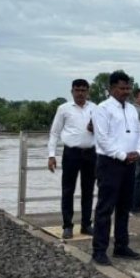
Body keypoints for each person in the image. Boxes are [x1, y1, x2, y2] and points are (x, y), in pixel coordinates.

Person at [90, 71, 140, 265]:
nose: (125, 92)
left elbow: (139, 132)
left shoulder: (131, 109)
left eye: (128, 88)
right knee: (105, 207)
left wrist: (137, 151)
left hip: (130, 163)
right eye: (122, 88)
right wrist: (122, 155)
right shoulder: (102, 109)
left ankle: (121, 245)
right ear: (111, 89)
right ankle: (99, 250)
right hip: (110, 163)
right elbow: (102, 138)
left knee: (124, 207)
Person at [47, 79, 97, 239]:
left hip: (91, 152)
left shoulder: (95, 108)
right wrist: (51, 155)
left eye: (83, 90)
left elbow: (104, 132)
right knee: (68, 190)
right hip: (71, 153)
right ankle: (67, 225)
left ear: (88, 91)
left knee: (88, 190)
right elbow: (54, 132)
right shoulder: (63, 109)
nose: (80, 93)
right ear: (72, 91)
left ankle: (86, 225)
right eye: (77, 90)